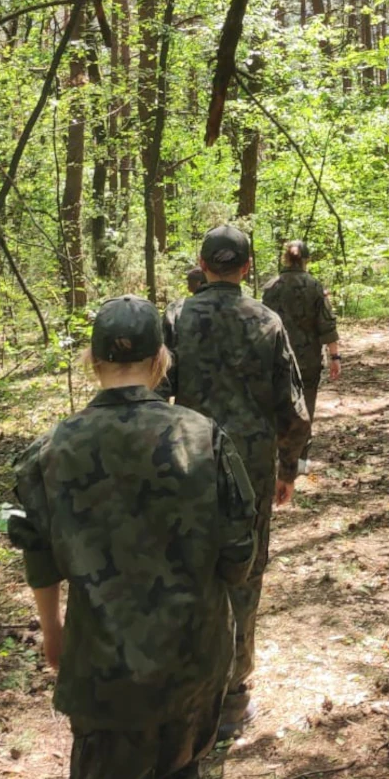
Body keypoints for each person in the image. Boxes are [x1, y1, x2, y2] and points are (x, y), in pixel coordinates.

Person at [8, 295, 256, 779]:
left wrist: (53, 632)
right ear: (161, 359)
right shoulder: (204, 437)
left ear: (93, 361)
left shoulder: (52, 448)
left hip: (104, 668)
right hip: (193, 660)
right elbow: (238, 558)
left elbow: (38, 552)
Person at [161, 225, 311, 741]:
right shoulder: (267, 321)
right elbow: (293, 409)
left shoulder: (178, 317)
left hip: (189, 461)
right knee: (244, 572)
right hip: (250, 467)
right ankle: (232, 696)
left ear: (203, 265)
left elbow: (154, 394)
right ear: (246, 268)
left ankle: (191, 684)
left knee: (190, 568)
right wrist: (287, 468)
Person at [262, 240, 341, 475]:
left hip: (276, 357)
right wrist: (335, 356)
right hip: (308, 360)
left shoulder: (271, 287)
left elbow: (262, 323)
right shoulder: (314, 286)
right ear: (306, 260)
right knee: (305, 405)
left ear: (285, 259)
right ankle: (300, 458)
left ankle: (279, 455)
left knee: (278, 405)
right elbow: (326, 323)